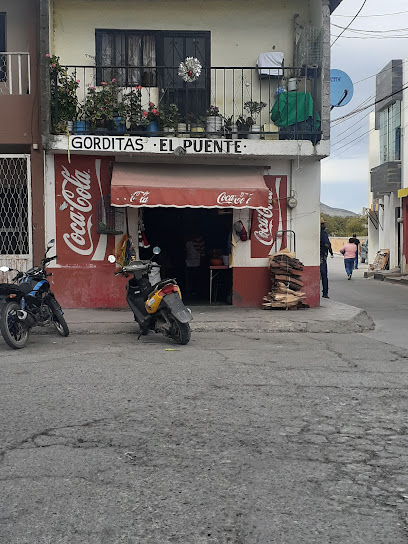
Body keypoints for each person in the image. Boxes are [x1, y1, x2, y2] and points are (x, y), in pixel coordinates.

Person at [320, 218, 333, 299]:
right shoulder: (323, 233)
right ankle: (325, 292)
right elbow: (327, 244)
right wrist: (330, 251)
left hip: (315, 256)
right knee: (324, 275)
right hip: (322, 256)